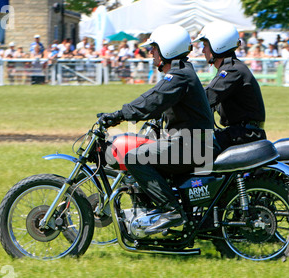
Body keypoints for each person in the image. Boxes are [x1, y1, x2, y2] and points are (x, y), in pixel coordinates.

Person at [98, 24, 215, 234]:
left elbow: (152, 100)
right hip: (191, 142)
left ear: (167, 48)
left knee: (134, 158)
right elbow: (160, 105)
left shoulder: (179, 76)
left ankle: (171, 211)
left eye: (154, 47)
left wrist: (118, 115)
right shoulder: (182, 73)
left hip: (191, 145)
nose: (151, 52)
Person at [193, 21, 266, 151]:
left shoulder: (232, 71)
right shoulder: (231, 68)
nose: (203, 50)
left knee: (190, 148)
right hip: (240, 132)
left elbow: (206, 96)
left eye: (205, 45)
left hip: (244, 134)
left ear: (218, 45)